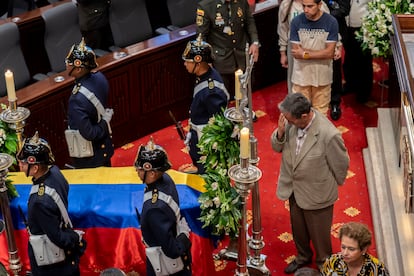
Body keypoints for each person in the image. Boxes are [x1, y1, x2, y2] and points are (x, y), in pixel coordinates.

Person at [270, 93, 349, 274]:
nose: (286, 121)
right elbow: (276, 146)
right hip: (294, 191)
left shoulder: (328, 134)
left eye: (289, 119)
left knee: (320, 238)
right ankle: (303, 256)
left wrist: (327, 186)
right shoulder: (289, 124)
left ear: (304, 116)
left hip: (318, 194)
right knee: (299, 231)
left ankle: (324, 266)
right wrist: (280, 132)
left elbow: (341, 164)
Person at [17, 132, 86, 276]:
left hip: (53, 265)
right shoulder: (55, 172)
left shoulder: (39, 201)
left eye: (23, 163)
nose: (20, 165)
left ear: (35, 168)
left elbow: (58, 238)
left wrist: (75, 237)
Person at [135, 138, 192, 275]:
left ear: (152, 173)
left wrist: (184, 235)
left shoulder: (154, 208)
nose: (137, 170)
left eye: (140, 169)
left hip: (168, 266)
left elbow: (172, 250)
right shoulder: (165, 178)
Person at [182, 34, 229, 174]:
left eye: (188, 61)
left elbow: (217, 128)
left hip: (207, 150)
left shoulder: (211, 90)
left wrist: (203, 166)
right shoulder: (204, 76)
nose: (185, 64)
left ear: (198, 62)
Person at [196, 0, 259, 101]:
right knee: (222, 96)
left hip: (242, 54)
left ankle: (245, 112)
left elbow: (250, 22)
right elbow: (201, 37)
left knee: (245, 91)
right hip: (221, 59)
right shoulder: (206, 6)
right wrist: (206, 60)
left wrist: (255, 42)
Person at [66, 38, 114, 169]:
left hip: (91, 158)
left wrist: (105, 121)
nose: (67, 65)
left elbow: (90, 134)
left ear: (79, 69)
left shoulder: (77, 99)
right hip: (105, 148)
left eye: (69, 62)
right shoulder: (100, 77)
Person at [290, 0, 339, 116]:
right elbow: (297, 53)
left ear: (320, 5)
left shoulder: (331, 22)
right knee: (299, 114)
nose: (306, 10)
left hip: (322, 77)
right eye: (304, 6)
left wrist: (305, 54)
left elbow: (330, 53)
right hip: (301, 78)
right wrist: (320, 53)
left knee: (321, 117)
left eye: (310, 6)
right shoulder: (296, 22)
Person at [277, 0, 330, 95]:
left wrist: (337, 45)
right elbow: (283, 29)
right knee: (295, 82)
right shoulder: (286, 5)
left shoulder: (318, 4)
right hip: (295, 48)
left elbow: (330, 26)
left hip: (316, 47)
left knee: (316, 80)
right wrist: (282, 52)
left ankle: (315, 106)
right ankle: (295, 106)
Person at [320, 222, 390, 275]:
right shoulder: (332, 262)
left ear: (364, 249)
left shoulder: (377, 269)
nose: (345, 253)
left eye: (351, 249)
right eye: (343, 247)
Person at [323, 0, 350, 120]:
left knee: (334, 68)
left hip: (335, 31)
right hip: (312, 31)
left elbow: (344, 9)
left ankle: (335, 102)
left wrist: (324, 16)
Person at [342, 0, 373, 104]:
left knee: (364, 60)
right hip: (348, 25)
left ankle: (364, 92)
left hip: (364, 27)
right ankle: (351, 84)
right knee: (350, 56)